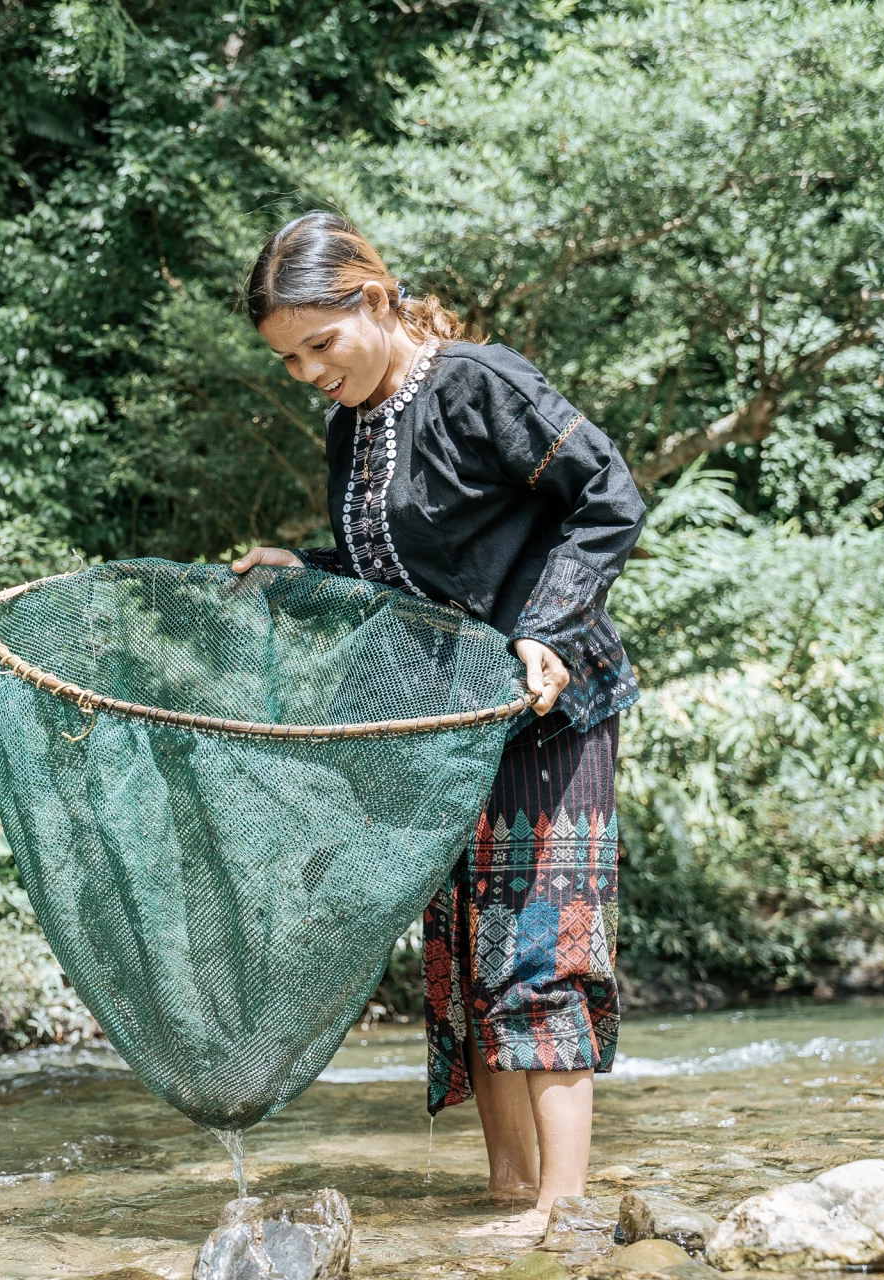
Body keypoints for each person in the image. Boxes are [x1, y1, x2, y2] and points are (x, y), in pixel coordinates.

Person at [232, 212, 644, 1236]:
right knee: (468, 952)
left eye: (319, 344)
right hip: (449, 728)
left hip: (551, 710)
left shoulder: (479, 385)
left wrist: (546, 629)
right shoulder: (351, 425)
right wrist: (305, 570)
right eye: (288, 359)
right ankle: (507, 1193)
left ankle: (563, 1211)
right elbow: (399, 579)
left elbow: (609, 494)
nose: (307, 372)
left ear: (375, 300)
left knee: (540, 945)